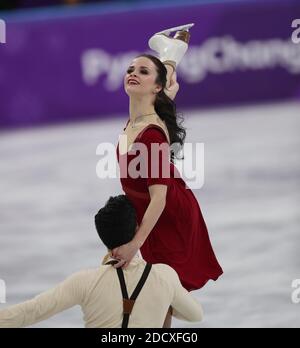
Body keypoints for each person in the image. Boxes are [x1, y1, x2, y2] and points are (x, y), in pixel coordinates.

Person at [113, 54, 223, 326]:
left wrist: (133, 244)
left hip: (169, 218)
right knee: (159, 296)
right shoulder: (143, 116)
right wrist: (170, 58)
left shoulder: (150, 135)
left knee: (159, 295)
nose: (132, 73)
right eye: (130, 69)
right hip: (150, 214)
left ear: (156, 87)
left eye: (143, 71)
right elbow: (169, 90)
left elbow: (159, 198)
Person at [0, 195, 203, 328]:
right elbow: (196, 315)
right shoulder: (164, 276)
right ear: (137, 228)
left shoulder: (84, 282)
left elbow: (31, 312)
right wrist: (162, 300)